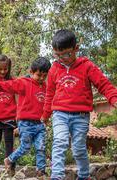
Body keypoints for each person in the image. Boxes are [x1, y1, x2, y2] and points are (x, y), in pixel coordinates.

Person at [40, 29, 117, 180]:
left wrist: (114, 99)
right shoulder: (54, 69)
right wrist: (45, 115)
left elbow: (103, 84)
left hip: (80, 116)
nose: (62, 59)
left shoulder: (86, 66)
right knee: (59, 142)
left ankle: (83, 176)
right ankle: (56, 176)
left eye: (67, 54)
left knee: (79, 148)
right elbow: (49, 94)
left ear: (76, 48)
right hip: (60, 114)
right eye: (58, 55)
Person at [0, 57, 51, 177]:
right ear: (31, 72)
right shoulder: (24, 83)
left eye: (45, 76)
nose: (42, 78)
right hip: (26, 122)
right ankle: (9, 159)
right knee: (25, 147)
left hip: (40, 123)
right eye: (39, 75)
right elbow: (9, 85)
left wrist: (46, 117)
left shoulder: (45, 86)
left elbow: (49, 102)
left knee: (41, 147)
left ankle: (41, 171)